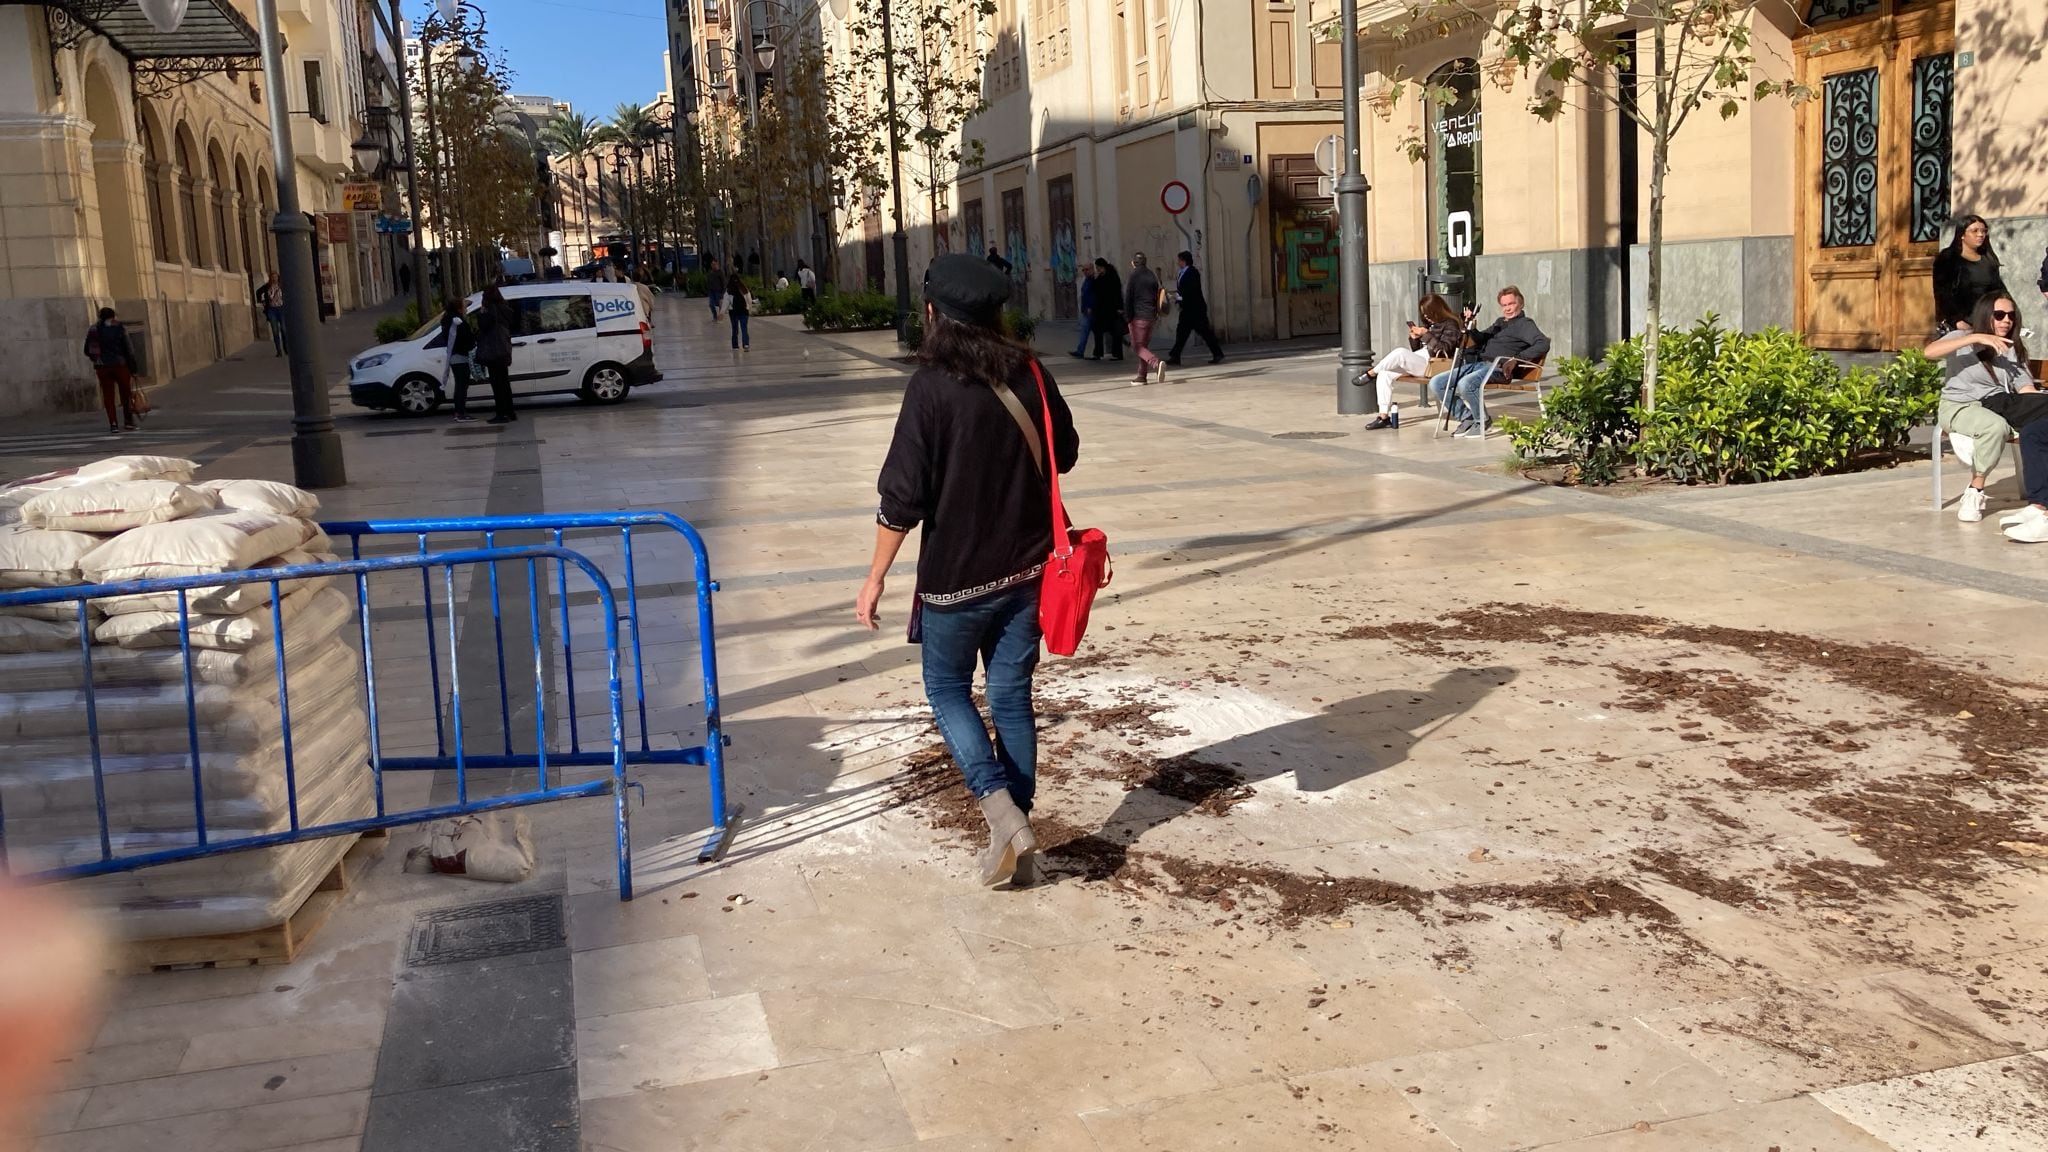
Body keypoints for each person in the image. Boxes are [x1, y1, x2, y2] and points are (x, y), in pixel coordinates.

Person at [856, 253, 1079, 889]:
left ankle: (999, 808)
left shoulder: (929, 387)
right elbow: (1065, 454)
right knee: (1011, 696)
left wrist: (874, 578)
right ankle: (1019, 825)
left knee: (947, 689)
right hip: (1030, 571)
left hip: (956, 581)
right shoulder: (1031, 372)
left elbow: (902, 498)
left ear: (934, 315)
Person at [1925, 292, 2035, 522]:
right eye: (1999, 314)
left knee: (2040, 423)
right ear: (1987, 315)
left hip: (1998, 405)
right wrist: (1975, 338)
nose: (2007, 320)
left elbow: (2025, 387)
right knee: (1994, 427)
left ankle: (2040, 499)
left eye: (2011, 315)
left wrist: (2036, 405)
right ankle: (1975, 490)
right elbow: (1929, 352)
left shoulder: (2012, 348)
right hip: (1959, 406)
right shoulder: (1962, 336)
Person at [1429, 286, 1551, 436]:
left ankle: (1482, 421)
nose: (1507, 308)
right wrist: (1472, 327)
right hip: (1478, 364)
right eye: (1504, 305)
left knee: (1465, 384)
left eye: (1511, 304)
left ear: (1521, 303)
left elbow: (1543, 343)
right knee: (1437, 383)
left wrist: (1516, 359)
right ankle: (1466, 417)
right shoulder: (1499, 323)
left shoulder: (1525, 324)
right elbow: (1482, 338)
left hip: (1498, 368)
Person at [1362, 294, 1463, 429]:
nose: (1426, 317)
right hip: (1423, 360)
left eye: (1428, 314)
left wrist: (1426, 334)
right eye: (1424, 315)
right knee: (1385, 373)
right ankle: (1383, 416)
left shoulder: (1451, 324)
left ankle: (1371, 373)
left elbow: (1444, 349)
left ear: (1437, 310)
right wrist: (1415, 338)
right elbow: (1417, 350)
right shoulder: (1432, 324)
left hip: (1436, 365)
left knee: (1400, 353)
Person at [1933, 215, 2005, 332]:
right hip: (1961, 323)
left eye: (1983, 231)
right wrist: (1956, 321)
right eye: (1974, 231)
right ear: (1961, 234)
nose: (1980, 235)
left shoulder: (1988, 259)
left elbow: (1998, 289)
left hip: (1986, 320)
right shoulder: (1948, 258)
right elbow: (1942, 293)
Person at [83, 307, 139, 435]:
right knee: (125, 394)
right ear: (113, 316)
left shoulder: (94, 329)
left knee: (108, 396)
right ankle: (128, 421)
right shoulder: (120, 328)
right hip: (120, 365)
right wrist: (133, 368)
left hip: (102, 367)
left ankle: (113, 424)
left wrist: (96, 358)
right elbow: (129, 349)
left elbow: (87, 349)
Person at [1166, 250, 1224, 366]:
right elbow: (1182, 290)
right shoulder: (1181, 273)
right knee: (1182, 332)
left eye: (1179, 260)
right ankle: (1175, 356)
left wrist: (1179, 298)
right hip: (1187, 309)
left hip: (1196, 309)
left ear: (1184, 261)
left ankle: (1217, 353)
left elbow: (1191, 292)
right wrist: (1176, 296)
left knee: (1205, 332)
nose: (1177, 262)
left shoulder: (1192, 272)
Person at [471, 284, 518, 424]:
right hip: (503, 349)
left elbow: (484, 326)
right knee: (504, 382)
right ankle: (510, 411)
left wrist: (482, 312)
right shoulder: (504, 308)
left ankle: (501, 413)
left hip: (493, 350)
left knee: (497, 384)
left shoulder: (490, 309)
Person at [1124, 252, 1164, 385]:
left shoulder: (1134, 276)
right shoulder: (1151, 275)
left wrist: (1128, 318)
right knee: (1143, 346)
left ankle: (1156, 363)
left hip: (1138, 316)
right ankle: (1142, 376)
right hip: (1151, 316)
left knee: (1137, 347)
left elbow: (1128, 298)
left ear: (1134, 263)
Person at [437, 299, 478, 423]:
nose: (466, 310)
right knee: (462, 385)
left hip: (455, 357)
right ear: (459, 309)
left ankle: (459, 411)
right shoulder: (457, 322)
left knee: (460, 385)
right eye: (464, 307)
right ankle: (460, 413)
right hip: (461, 357)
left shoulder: (447, 320)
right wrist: (472, 344)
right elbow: (464, 339)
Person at [1091, 257, 1125, 360]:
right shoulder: (1100, 277)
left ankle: (1117, 354)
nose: (1097, 270)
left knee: (1115, 332)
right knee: (1097, 330)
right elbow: (1096, 290)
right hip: (1101, 309)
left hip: (1112, 309)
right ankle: (1098, 353)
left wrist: (1119, 307)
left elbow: (1117, 292)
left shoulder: (1112, 276)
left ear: (1102, 267)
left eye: (1098, 267)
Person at [1068, 262, 1098, 359]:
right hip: (1085, 310)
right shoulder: (1087, 280)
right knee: (1084, 331)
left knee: (1096, 332)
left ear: (1092, 269)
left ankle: (1095, 352)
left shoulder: (1093, 280)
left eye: (1087, 269)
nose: (1085, 271)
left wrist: (1090, 307)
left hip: (1091, 311)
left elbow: (1094, 295)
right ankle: (1080, 351)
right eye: (1083, 270)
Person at [260, 272, 286, 357]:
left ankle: (286, 348)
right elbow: (258, 292)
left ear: (278, 278)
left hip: (281, 309)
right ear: (270, 278)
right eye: (273, 277)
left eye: (276, 277)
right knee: (275, 331)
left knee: (284, 330)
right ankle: (279, 351)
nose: (274, 278)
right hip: (272, 310)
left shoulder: (281, 286)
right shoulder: (267, 287)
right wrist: (262, 302)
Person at [726, 271, 751, 350]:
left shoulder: (729, 290)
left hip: (733, 312)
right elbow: (749, 299)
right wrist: (749, 308)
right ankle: (746, 344)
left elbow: (726, 302)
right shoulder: (744, 288)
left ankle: (735, 345)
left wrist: (722, 312)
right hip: (744, 311)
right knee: (744, 328)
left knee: (735, 329)